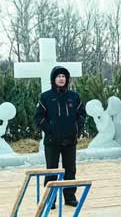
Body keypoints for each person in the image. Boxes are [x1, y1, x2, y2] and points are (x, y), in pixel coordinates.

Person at [35, 66, 86, 207]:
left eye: (63, 76)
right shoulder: (45, 97)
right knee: (52, 170)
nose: (61, 78)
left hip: (70, 140)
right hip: (52, 141)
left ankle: (70, 197)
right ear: (53, 79)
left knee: (70, 170)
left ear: (67, 79)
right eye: (58, 76)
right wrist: (51, 129)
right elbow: (38, 118)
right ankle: (50, 200)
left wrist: (75, 129)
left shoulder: (74, 97)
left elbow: (81, 115)